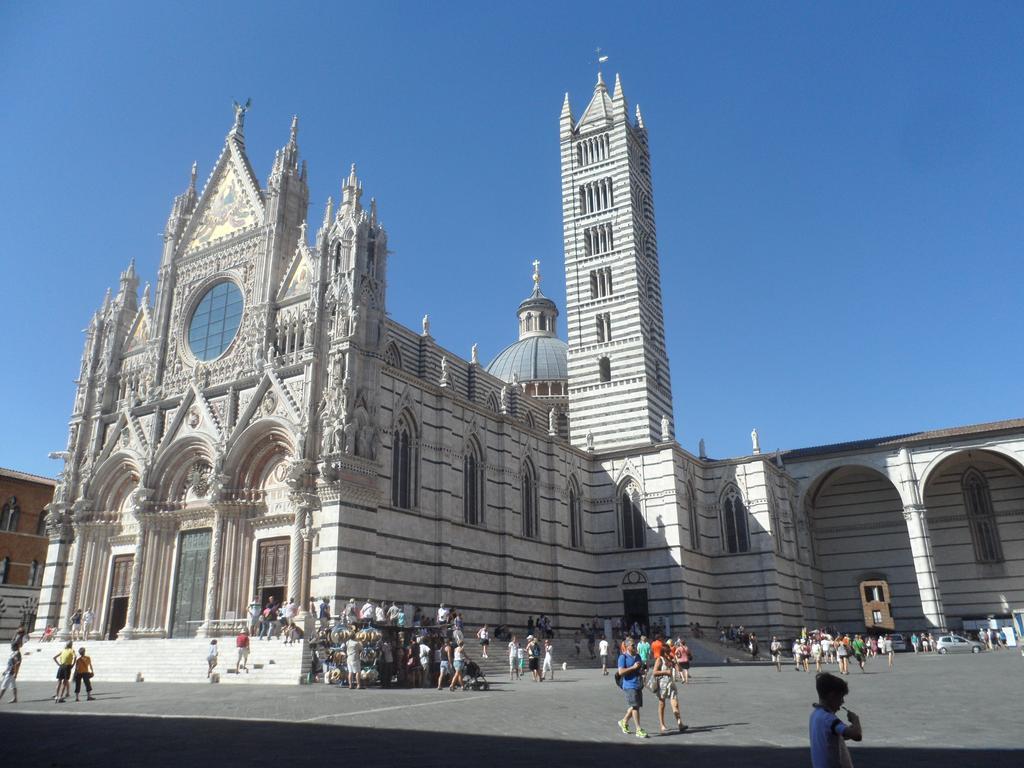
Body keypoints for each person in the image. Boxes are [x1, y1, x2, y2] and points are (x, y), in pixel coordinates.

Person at [810, 672, 863, 768]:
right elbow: (857, 735)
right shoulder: (829, 719)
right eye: (841, 697)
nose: (842, 702)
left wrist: (845, 733)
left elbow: (828, 737)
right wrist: (856, 721)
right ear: (832, 696)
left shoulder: (815, 715)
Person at [616, 636, 648, 738]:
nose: (635, 646)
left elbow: (639, 670)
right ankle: (638, 729)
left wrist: (642, 671)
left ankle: (623, 721)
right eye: (633, 645)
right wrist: (633, 667)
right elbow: (621, 672)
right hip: (629, 685)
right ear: (627, 646)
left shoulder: (638, 656)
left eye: (635, 644)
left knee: (636, 705)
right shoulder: (623, 657)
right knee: (635, 706)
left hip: (638, 684)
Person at [652, 645, 686, 733]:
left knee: (675, 704)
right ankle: (662, 724)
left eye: (669, 652)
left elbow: (680, 669)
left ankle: (680, 723)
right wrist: (665, 672)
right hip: (662, 684)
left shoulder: (670, 660)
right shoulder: (660, 659)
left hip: (671, 684)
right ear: (664, 652)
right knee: (662, 704)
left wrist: (676, 662)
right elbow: (654, 672)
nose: (669, 653)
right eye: (667, 652)